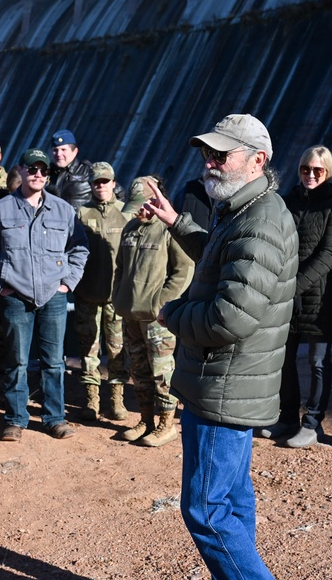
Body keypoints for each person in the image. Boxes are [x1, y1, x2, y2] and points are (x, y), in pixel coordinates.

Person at [143, 113, 297, 580]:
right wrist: (178, 223)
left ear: (257, 161)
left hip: (224, 387)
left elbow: (230, 316)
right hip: (228, 383)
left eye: (220, 155)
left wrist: (173, 315)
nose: (209, 163)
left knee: (206, 511)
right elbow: (222, 258)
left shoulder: (261, 222)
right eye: (206, 154)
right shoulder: (248, 211)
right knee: (230, 499)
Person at [0, 148, 89, 441]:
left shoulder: (63, 210)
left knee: (53, 362)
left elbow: (80, 249)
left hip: (53, 296)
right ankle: (15, 419)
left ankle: (54, 418)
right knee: (16, 361)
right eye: (32, 169)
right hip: (15, 298)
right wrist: (0, 286)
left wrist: (68, 283)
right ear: (21, 171)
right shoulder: (1, 210)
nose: (38, 174)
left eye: (43, 170)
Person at [266, 146, 332, 449]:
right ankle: (287, 417)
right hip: (289, 296)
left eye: (317, 170)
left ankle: (313, 423)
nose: (310, 175)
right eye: (305, 169)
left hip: (320, 299)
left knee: (317, 361)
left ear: (327, 172)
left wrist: (295, 284)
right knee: (284, 360)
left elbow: (330, 253)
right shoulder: (288, 202)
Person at [112, 176, 193, 446]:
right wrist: (119, 298)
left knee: (162, 372)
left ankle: (166, 425)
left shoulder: (169, 229)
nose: (138, 211)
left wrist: (162, 302)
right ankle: (146, 420)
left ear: (155, 200)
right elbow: (120, 269)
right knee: (139, 370)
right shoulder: (131, 229)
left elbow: (184, 271)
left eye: (142, 205)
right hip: (130, 314)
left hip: (157, 318)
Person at [74, 162, 128, 422]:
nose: (101, 186)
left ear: (114, 183)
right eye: (96, 182)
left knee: (117, 351)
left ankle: (116, 400)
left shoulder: (125, 213)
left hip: (115, 298)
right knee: (89, 351)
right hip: (87, 295)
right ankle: (91, 400)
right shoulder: (82, 214)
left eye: (105, 181)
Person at [47, 129, 93, 210]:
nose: (58, 154)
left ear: (75, 151)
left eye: (63, 150)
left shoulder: (88, 171)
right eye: (55, 150)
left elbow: (117, 194)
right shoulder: (44, 172)